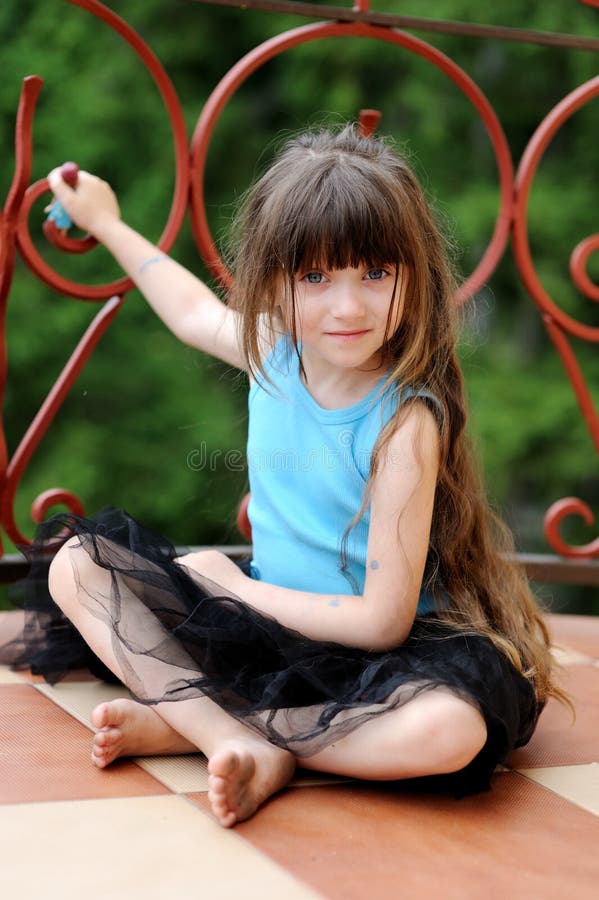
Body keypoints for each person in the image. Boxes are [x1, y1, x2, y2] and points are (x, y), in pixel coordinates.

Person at [4, 124, 568, 828]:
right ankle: (229, 737)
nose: (347, 307)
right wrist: (109, 224)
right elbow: (188, 311)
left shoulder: (404, 422)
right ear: (274, 280)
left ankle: (205, 726)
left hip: (379, 658)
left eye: (375, 273)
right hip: (262, 626)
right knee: (75, 567)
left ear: (411, 275)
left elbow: (382, 621)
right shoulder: (273, 350)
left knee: (449, 732)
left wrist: (239, 588)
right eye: (314, 277)